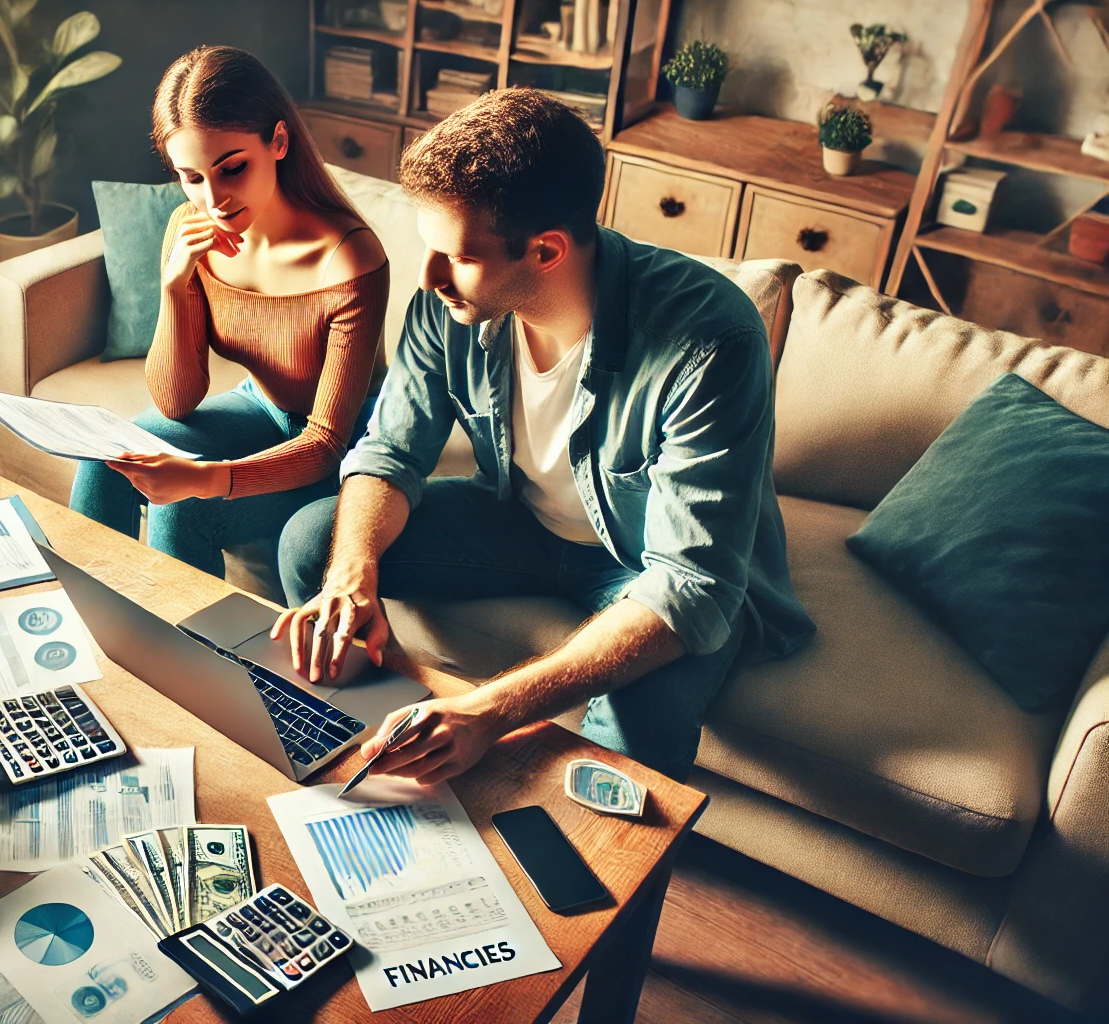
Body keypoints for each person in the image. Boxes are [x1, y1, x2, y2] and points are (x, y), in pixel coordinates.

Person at [272, 89, 814, 783]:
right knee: (314, 546)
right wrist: (354, 579)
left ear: (547, 250)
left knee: (635, 729)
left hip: (650, 565)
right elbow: (391, 451)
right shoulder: (450, 305)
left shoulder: (711, 339)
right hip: (517, 522)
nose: (428, 277)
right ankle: (387, 757)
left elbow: (692, 584)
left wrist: (488, 711)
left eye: (455, 258)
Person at [70, 46, 389, 583]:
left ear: (279, 142)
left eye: (232, 168)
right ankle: (88, 625)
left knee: (183, 505)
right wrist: (174, 287)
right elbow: (176, 402)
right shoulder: (189, 230)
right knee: (106, 457)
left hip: (344, 444)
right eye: (191, 177)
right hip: (257, 407)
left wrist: (201, 478)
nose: (212, 198)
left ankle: (188, 657)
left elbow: (324, 444)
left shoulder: (350, 259)